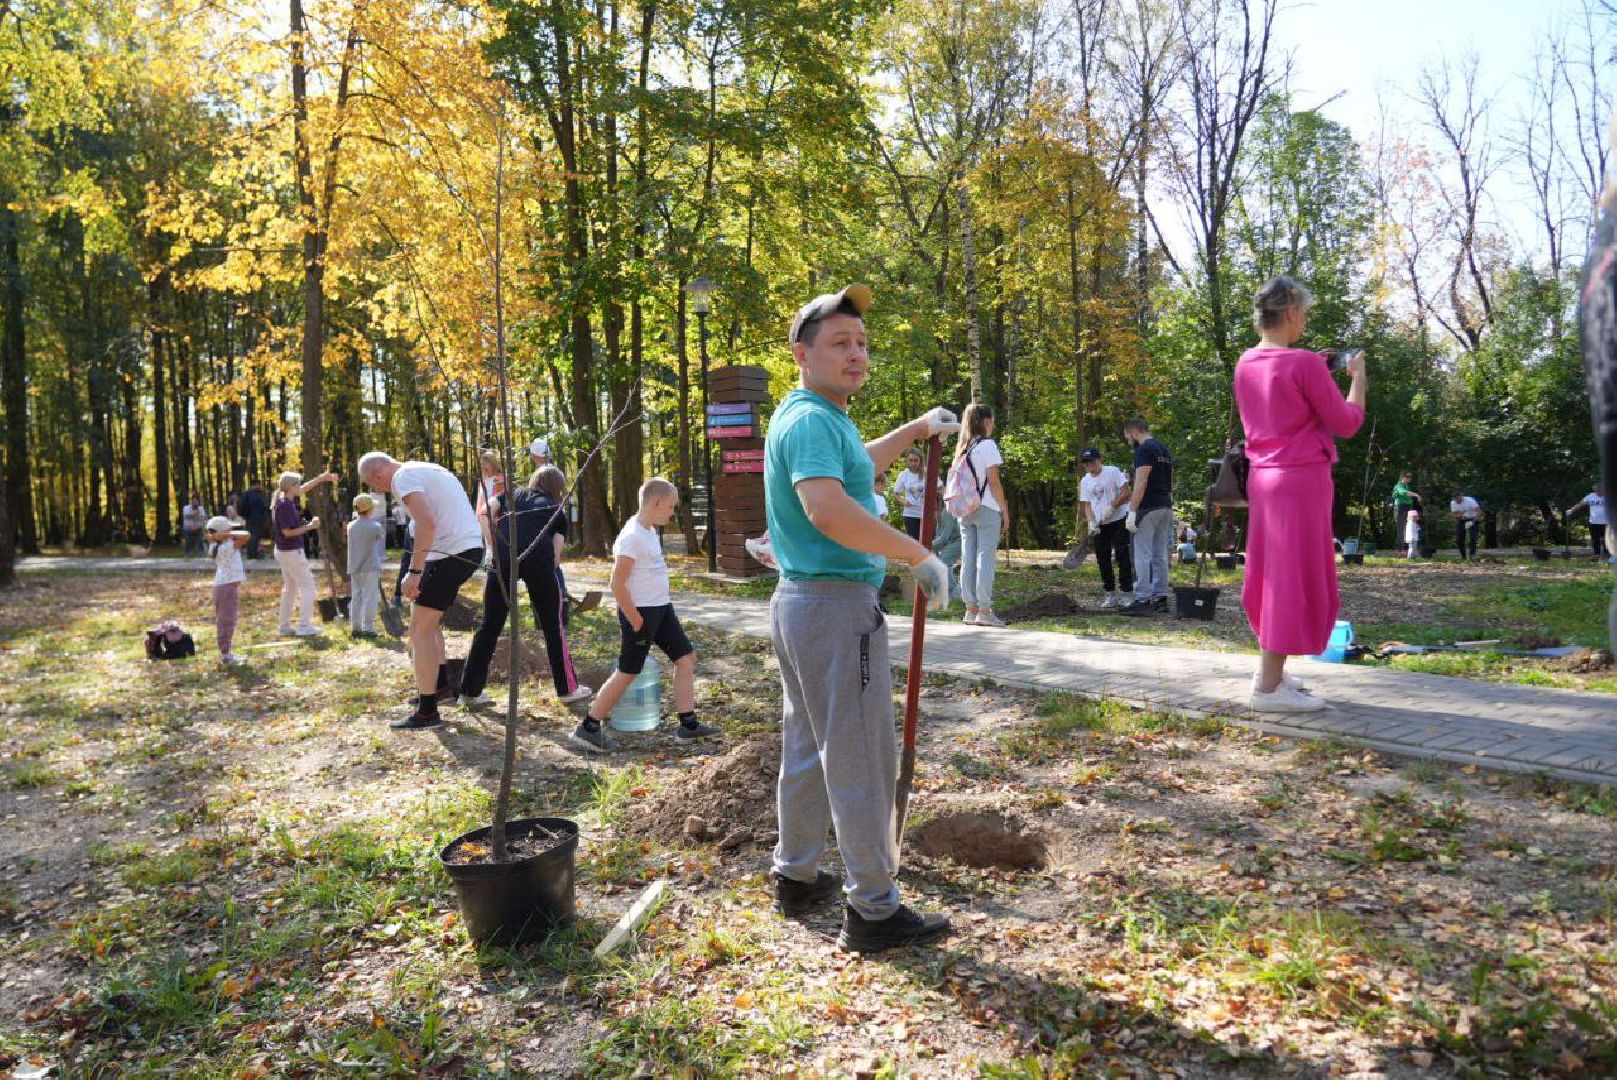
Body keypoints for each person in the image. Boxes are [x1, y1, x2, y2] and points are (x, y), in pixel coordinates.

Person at [765, 282, 955, 954]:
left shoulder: (816, 417)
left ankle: (795, 874)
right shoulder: (814, 420)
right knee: (861, 757)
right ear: (802, 353)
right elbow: (828, 509)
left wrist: (912, 432)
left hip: (802, 603)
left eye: (862, 343)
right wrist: (915, 554)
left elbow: (853, 472)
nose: (856, 354)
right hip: (835, 609)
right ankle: (873, 909)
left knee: (807, 750)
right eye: (839, 343)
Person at [1234, 276, 1367, 713]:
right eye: (1304, 313)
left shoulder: (1246, 361)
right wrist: (1357, 379)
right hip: (1300, 481)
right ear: (1290, 313)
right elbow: (1346, 421)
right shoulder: (1305, 364)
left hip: (1264, 479)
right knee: (1292, 578)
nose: (1305, 321)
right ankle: (1269, 690)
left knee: (1275, 574)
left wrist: (1316, 366)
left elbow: (1281, 396)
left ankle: (1269, 675)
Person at [574, 479, 715, 750]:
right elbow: (616, 584)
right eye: (671, 507)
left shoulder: (648, 529)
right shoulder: (632, 537)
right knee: (628, 671)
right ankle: (589, 726)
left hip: (662, 610)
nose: (672, 513)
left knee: (685, 658)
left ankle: (689, 725)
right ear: (656, 502)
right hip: (641, 615)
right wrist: (636, 620)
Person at [358, 452, 485, 730]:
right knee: (427, 622)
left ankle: (427, 712)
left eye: (372, 484)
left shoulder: (403, 478)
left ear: (378, 475)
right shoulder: (429, 469)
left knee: (419, 630)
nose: (376, 490)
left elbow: (427, 523)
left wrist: (414, 573)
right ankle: (438, 688)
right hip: (464, 548)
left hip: (449, 552)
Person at [459, 465, 593, 710]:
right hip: (537, 560)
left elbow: (485, 510)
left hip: (502, 559)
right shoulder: (554, 509)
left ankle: (469, 691)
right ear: (558, 488)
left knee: (490, 625)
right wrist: (551, 580)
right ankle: (567, 689)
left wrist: (492, 546)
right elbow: (555, 553)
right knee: (553, 625)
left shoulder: (511, 495)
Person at [951, 404, 1009, 628]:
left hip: (965, 509)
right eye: (992, 420)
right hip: (986, 507)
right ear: (986, 421)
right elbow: (994, 482)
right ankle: (984, 610)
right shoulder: (988, 445)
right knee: (985, 558)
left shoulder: (964, 446)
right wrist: (1004, 509)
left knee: (968, 558)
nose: (993, 424)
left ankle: (970, 609)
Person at [1118, 418, 1174, 616]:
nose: (1127, 440)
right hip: (1165, 506)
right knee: (1159, 554)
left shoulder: (1143, 450)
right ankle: (1160, 598)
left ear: (1133, 432)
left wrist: (1132, 512)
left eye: (1127, 436)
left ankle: (1142, 599)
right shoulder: (1162, 449)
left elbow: (1141, 482)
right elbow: (1168, 481)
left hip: (1148, 508)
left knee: (1142, 554)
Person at [272, 470, 337, 636]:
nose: (300, 487)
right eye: (297, 484)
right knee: (309, 587)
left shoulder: (285, 498)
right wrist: (311, 526)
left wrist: (322, 478)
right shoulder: (285, 505)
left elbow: (306, 488)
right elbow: (287, 532)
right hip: (291, 551)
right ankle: (304, 626)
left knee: (291, 588)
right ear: (291, 486)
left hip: (285, 551)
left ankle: (284, 627)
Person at [1077, 447, 1133, 608]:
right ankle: (1110, 594)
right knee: (1103, 559)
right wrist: (1091, 522)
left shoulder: (1113, 472)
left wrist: (1112, 507)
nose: (1090, 466)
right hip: (1100, 525)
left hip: (1118, 520)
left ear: (1099, 460)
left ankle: (1127, 593)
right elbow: (1087, 505)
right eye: (1087, 463)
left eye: (1093, 462)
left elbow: (1126, 492)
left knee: (1122, 556)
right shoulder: (1085, 481)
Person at [205, 515, 250, 664]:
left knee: (226, 619)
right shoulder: (225, 546)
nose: (231, 532)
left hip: (224, 586)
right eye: (228, 529)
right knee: (227, 620)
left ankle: (227, 651)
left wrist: (221, 535)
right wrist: (225, 535)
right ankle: (225, 654)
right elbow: (246, 535)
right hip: (226, 587)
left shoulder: (216, 546)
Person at [347, 493, 386, 637]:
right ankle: (368, 627)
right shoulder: (375, 526)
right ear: (370, 509)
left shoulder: (351, 526)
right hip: (369, 566)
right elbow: (380, 536)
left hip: (354, 566)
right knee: (370, 597)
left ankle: (355, 627)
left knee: (356, 596)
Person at [474, 450, 506, 557]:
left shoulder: (500, 479)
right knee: (489, 550)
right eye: (481, 465)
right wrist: (478, 519)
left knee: (495, 549)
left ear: (492, 464)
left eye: (485, 465)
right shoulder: (482, 481)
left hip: (496, 520)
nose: (482, 467)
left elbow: (503, 500)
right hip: (484, 520)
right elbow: (480, 502)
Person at [892, 449, 928, 540]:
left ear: (920, 461)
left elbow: (938, 488)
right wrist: (903, 501)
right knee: (913, 542)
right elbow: (896, 493)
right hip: (910, 514)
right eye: (911, 460)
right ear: (907, 461)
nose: (913, 463)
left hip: (925, 514)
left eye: (916, 460)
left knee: (926, 542)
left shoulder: (927, 473)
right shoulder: (904, 475)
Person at [1567, 485, 1609, 556]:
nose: (1598, 491)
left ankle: (1607, 555)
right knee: (1595, 539)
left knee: (1607, 539)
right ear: (1594, 489)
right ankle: (1596, 555)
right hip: (1594, 522)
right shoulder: (1590, 496)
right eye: (1596, 489)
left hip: (1606, 523)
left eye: (1599, 489)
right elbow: (1580, 504)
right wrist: (1572, 510)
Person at [239, 481, 269, 559]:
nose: (260, 487)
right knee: (254, 536)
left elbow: (242, 507)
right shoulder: (255, 495)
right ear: (254, 485)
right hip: (255, 518)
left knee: (253, 536)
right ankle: (253, 554)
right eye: (259, 485)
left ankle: (252, 554)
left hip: (252, 518)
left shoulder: (249, 495)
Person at [1449, 488, 1482, 560]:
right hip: (1462, 520)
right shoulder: (1453, 503)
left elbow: (1479, 511)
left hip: (1473, 518)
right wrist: (1458, 516)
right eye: (1455, 500)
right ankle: (1463, 556)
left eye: (1458, 499)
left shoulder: (1470, 501)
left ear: (1461, 496)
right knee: (1459, 539)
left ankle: (1472, 555)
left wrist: (1474, 520)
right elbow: (1454, 514)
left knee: (1473, 538)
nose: (1457, 501)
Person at [1391, 472, 1420, 551]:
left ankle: (1408, 549)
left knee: (1409, 527)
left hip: (1408, 507)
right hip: (1400, 507)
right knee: (1401, 529)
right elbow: (1403, 493)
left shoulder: (1407, 486)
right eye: (1407, 477)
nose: (1409, 478)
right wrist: (1416, 495)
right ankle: (1400, 550)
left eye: (1410, 477)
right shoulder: (1399, 486)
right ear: (1402, 477)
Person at [392, 500, 413, 605]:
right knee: (407, 563)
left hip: (414, 529)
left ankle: (398, 595)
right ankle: (397, 595)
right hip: (414, 531)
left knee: (407, 563)